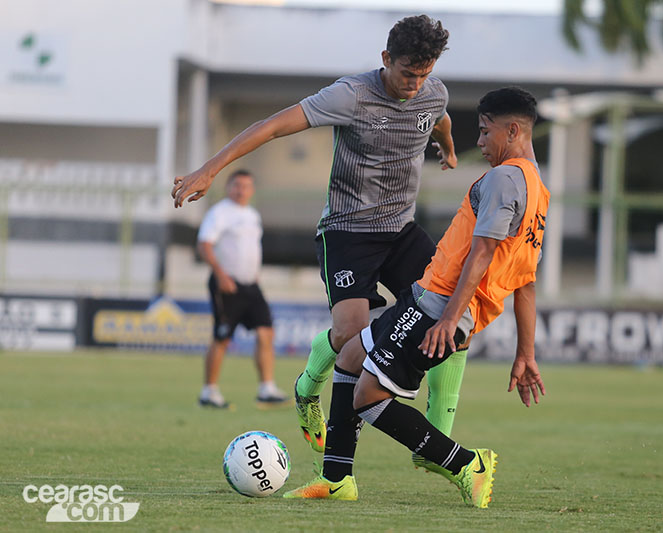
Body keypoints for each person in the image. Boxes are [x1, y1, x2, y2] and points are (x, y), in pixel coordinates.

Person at [172, 15, 469, 461]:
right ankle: (307, 388)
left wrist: (446, 147)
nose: (415, 84)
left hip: (401, 230)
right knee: (352, 333)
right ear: (385, 59)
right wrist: (209, 169)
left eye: (424, 75)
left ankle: (436, 436)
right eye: (408, 73)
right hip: (348, 232)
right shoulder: (350, 95)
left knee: (459, 316)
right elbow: (273, 125)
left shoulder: (433, 91)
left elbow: (439, 117)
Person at [283, 87, 549, 508]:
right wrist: (527, 353)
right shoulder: (537, 191)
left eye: (484, 132)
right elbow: (527, 282)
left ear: (512, 130)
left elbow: (482, 253)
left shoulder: (504, 178)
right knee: (351, 356)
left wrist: (448, 320)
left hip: (439, 307)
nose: (479, 142)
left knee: (368, 398)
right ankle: (336, 478)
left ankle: (466, 464)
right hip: (428, 300)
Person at [196, 169, 287, 408]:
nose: (241, 190)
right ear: (228, 187)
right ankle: (209, 392)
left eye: (246, 186)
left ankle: (266, 389)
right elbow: (204, 245)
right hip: (227, 283)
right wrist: (220, 274)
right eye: (237, 185)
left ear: (252, 190)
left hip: (252, 285)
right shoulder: (219, 212)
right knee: (222, 337)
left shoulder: (252, 215)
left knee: (266, 332)